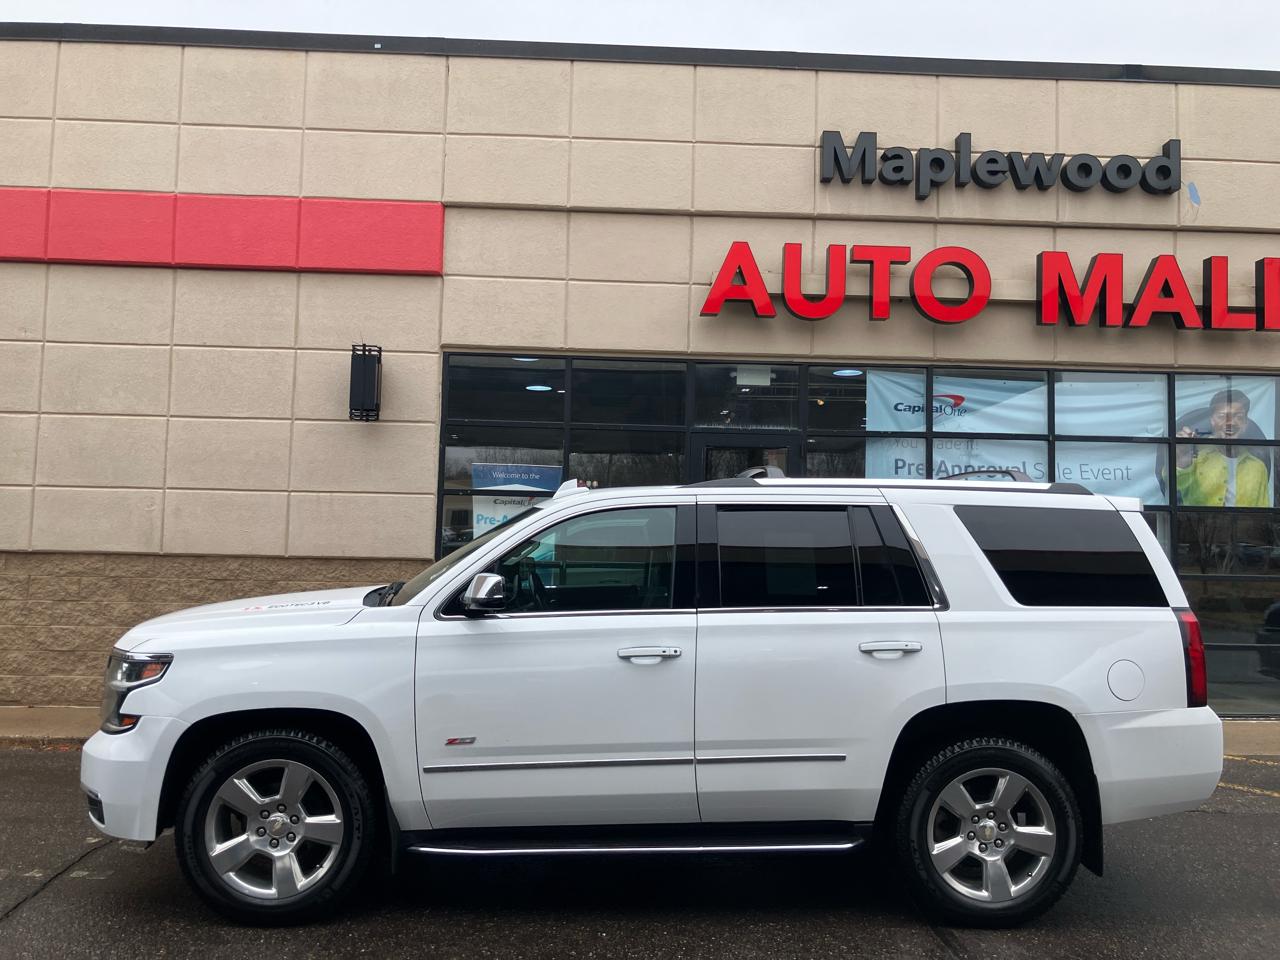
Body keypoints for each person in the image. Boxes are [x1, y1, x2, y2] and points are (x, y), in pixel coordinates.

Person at [1175, 388, 1271, 507]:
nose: (1230, 422)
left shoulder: (1258, 467)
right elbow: (1171, 486)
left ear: (1246, 423)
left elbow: (1263, 512)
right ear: (1212, 421)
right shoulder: (1195, 458)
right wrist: (1182, 457)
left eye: (1238, 416)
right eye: (1222, 416)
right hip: (1197, 526)